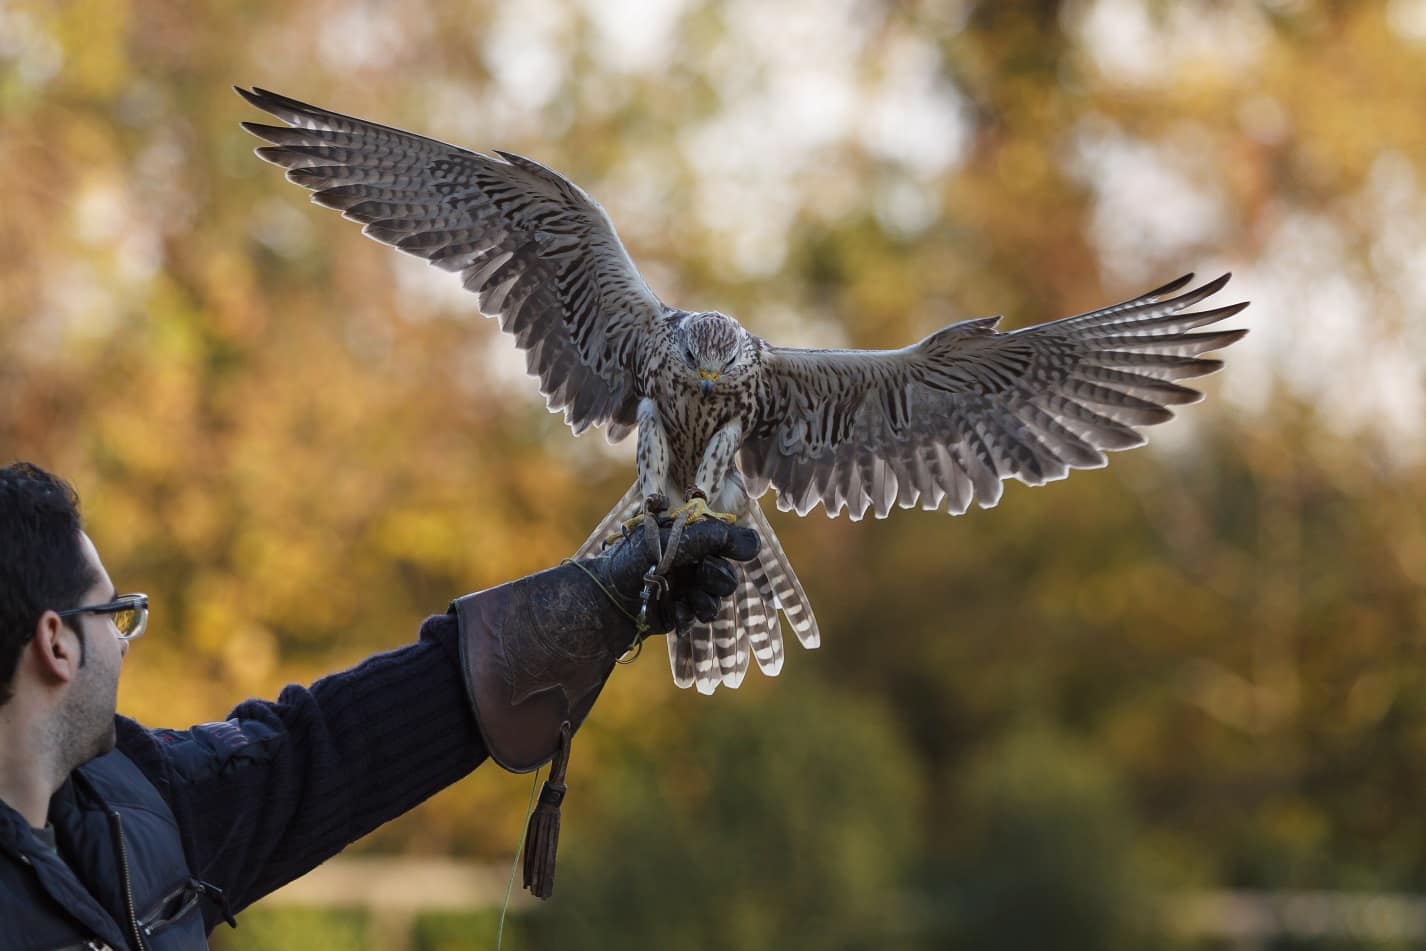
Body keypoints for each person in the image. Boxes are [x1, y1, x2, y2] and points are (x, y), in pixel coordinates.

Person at [0, 461, 758, 950]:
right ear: (56, 643)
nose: (125, 643)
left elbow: (329, 749)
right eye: (115, 614)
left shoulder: (130, 798)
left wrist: (597, 603)